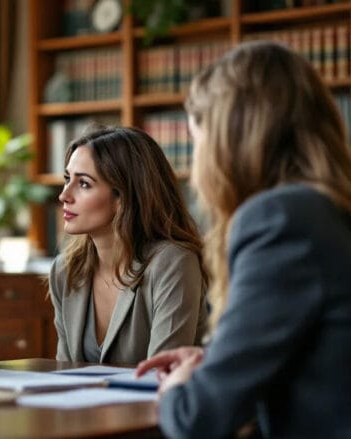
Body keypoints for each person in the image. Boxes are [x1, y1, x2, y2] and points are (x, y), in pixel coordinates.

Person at [136, 41, 351, 438]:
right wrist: (216, 360)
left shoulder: (281, 219)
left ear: (227, 140)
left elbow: (197, 420)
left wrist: (178, 387)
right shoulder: (329, 210)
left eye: (197, 138)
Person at [48, 126, 207, 365]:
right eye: (67, 179)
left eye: (83, 184)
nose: (64, 195)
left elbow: (161, 375)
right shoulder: (65, 271)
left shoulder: (172, 262)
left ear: (124, 196)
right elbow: (65, 373)